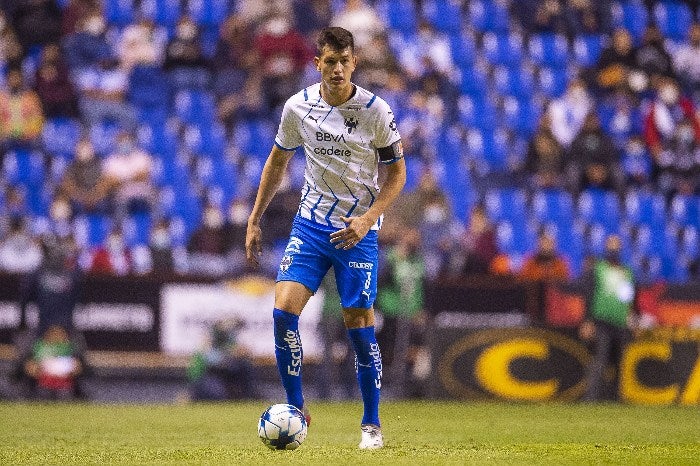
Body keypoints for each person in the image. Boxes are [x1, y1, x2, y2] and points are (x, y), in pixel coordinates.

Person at [245, 27, 406, 450]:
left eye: (344, 61)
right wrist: (255, 218)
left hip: (358, 232)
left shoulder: (375, 111)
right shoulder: (298, 107)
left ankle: (371, 424)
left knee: (358, 324)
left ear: (354, 63)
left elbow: (397, 174)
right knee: (283, 312)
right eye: (329, 61)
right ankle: (296, 409)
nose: (336, 68)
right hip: (311, 226)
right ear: (317, 63)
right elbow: (277, 163)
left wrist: (369, 218)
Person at [579, 234, 636, 401]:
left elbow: (629, 298)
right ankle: (591, 398)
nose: (613, 249)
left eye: (616, 245)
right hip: (601, 320)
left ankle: (616, 398)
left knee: (620, 362)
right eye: (611, 245)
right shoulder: (597, 269)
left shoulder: (627, 271)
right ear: (605, 247)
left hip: (620, 321)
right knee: (600, 361)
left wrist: (631, 316)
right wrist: (588, 320)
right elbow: (589, 295)